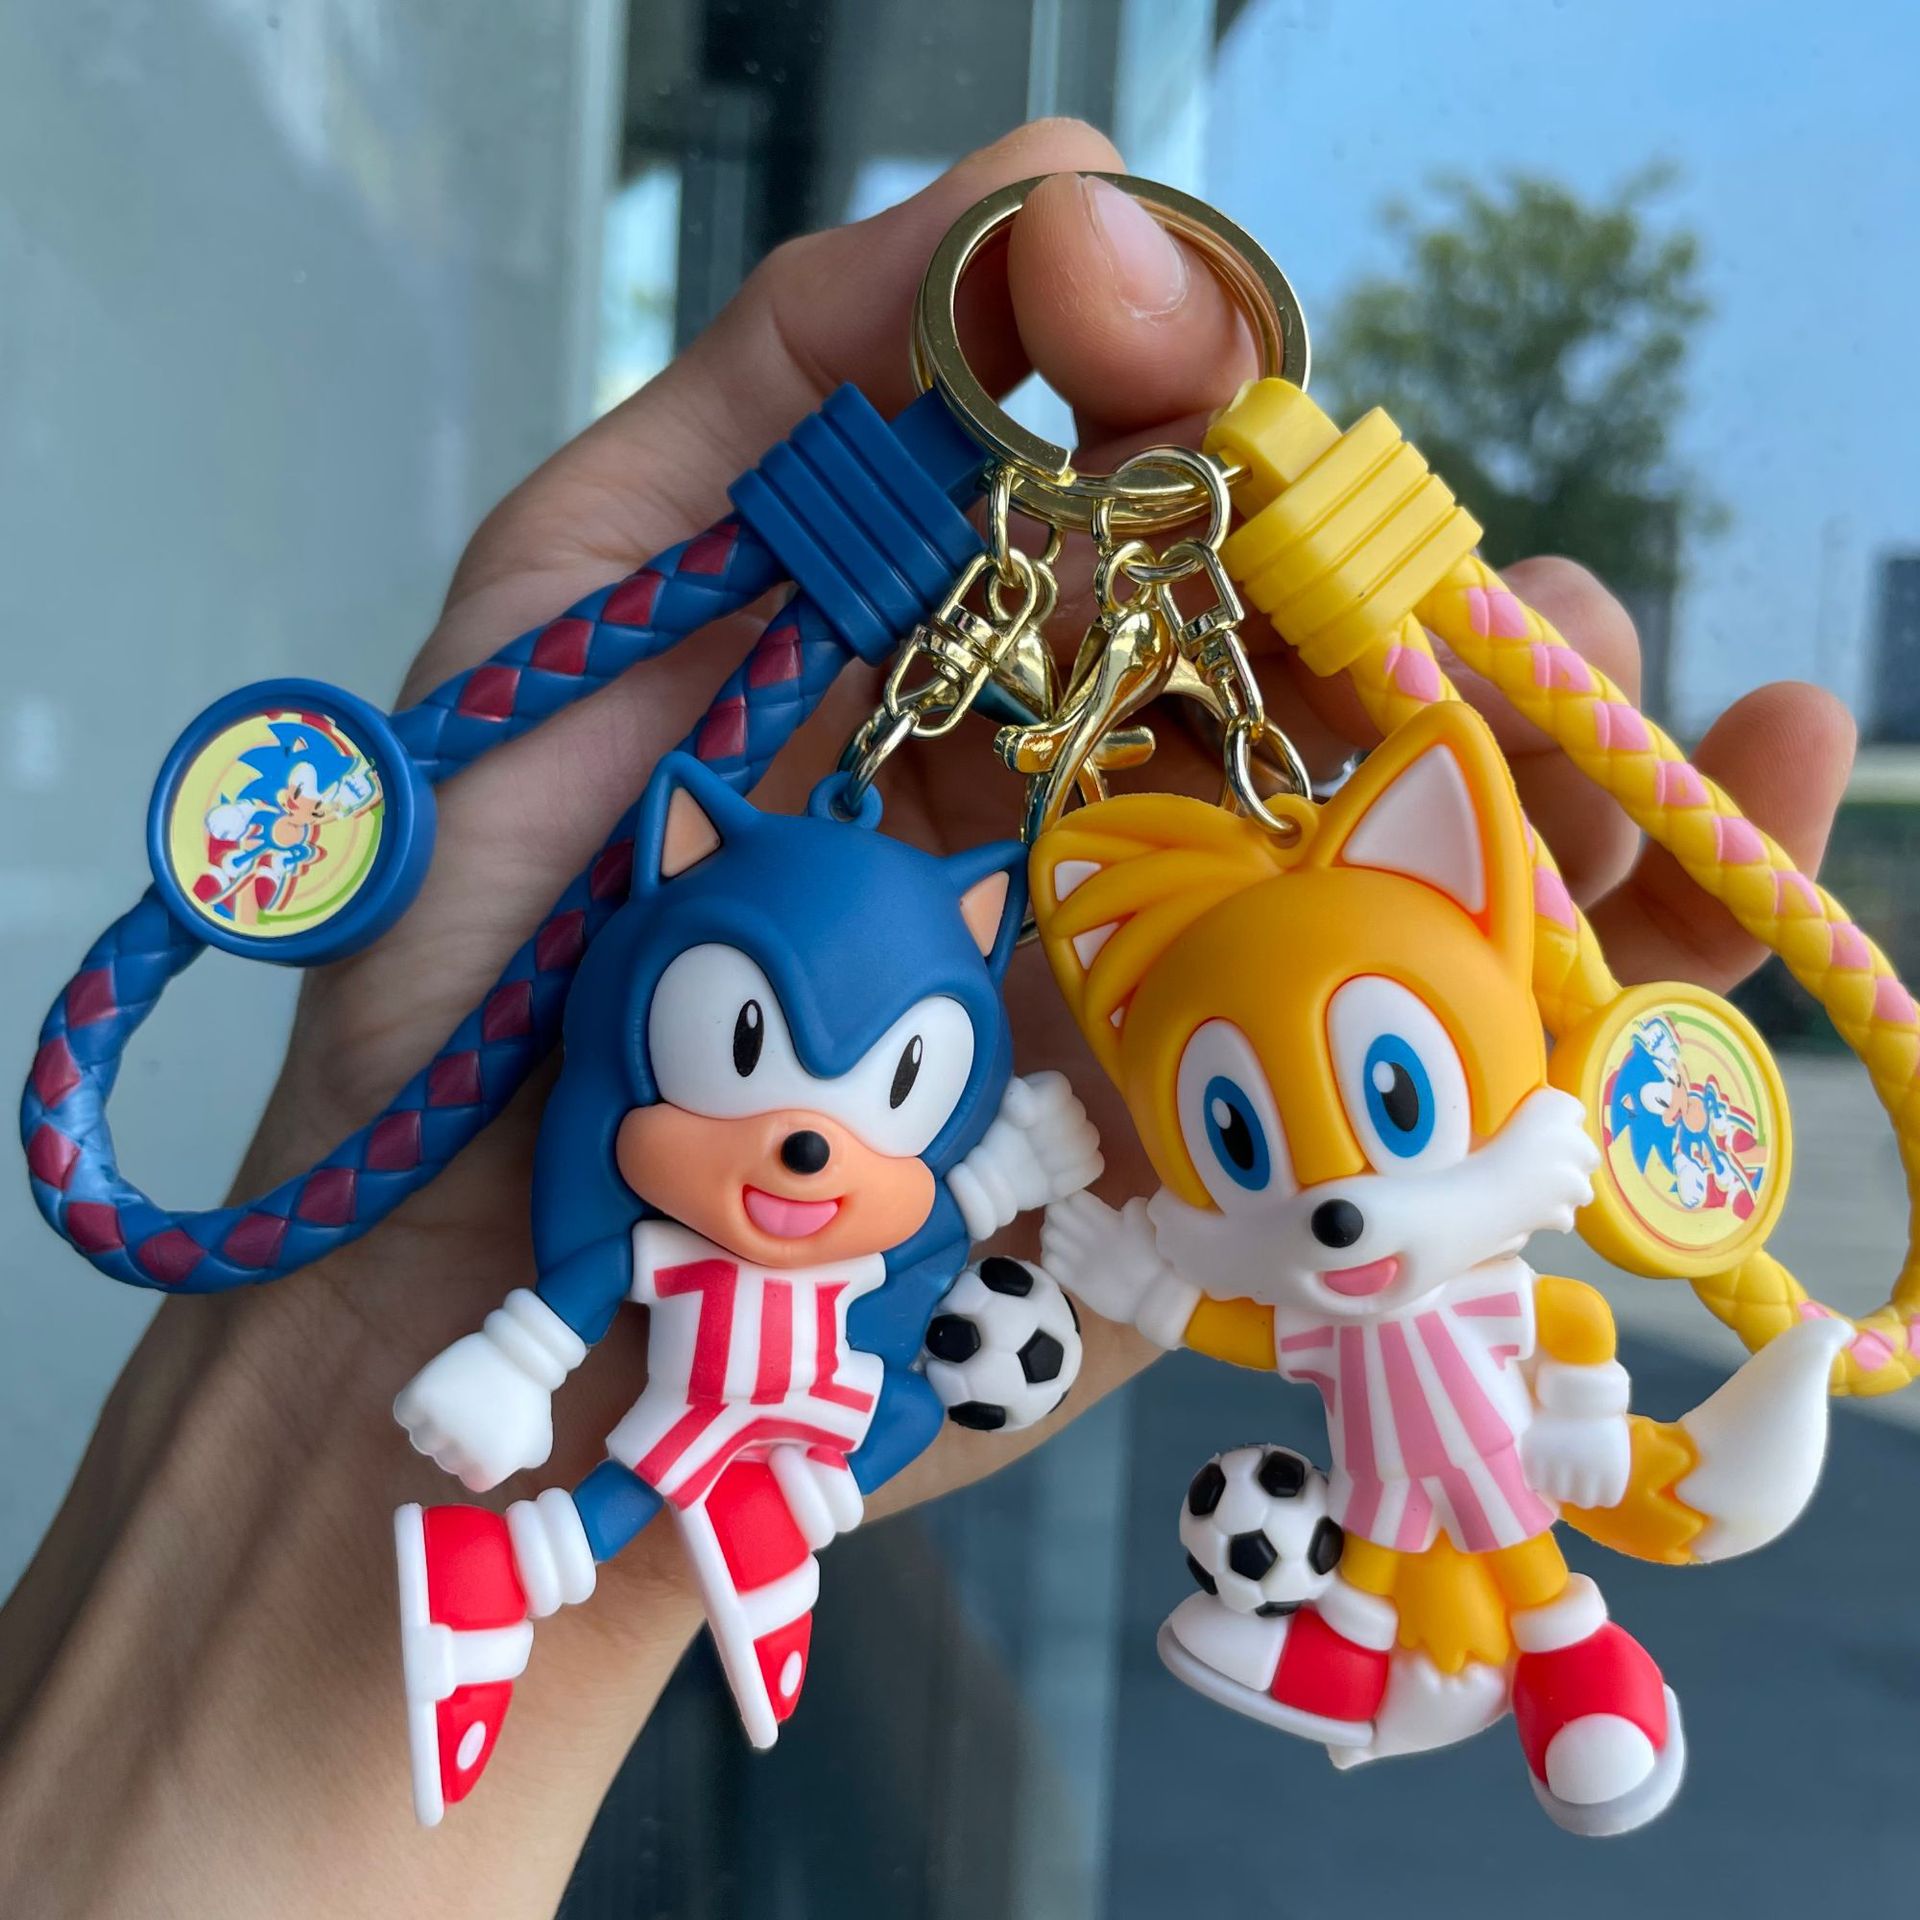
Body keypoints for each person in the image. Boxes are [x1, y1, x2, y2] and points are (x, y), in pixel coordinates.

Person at [0, 118, 1856, 1917]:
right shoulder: (696, 1114)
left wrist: (1100, 1225)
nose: (810, 1137)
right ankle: (1392, 1645)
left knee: (812, 1460)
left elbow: (1255, 1263)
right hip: (739, 1361)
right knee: (738, 1468)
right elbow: (663, 1259)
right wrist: (451, 1342)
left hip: (834, 1377)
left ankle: (1461, 1649)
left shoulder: (1180, 1150)